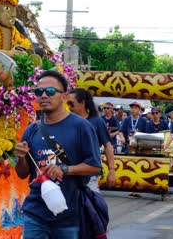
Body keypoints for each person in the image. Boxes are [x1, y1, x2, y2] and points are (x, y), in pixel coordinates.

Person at [14, 70, 102, 238]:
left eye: (51, 91)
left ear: (64, 96)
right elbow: (22, 173)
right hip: (35, 213)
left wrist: (65, 169)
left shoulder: (81, 126)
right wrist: (21, 157)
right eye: (39, 92)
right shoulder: (32, 129)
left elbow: (94, 165)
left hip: (68, 216)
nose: (44, 95)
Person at [67, 88, 117, 191]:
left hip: (89, 175)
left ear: (82, 103)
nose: (69, 107)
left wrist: (112, 171)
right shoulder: (67, 122)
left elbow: (108, 146)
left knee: (91, 205)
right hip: (68, 174)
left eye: (72, 104)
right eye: (68, 104)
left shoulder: (97, 122)